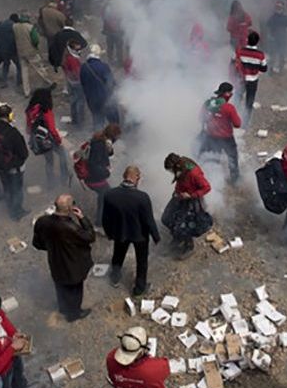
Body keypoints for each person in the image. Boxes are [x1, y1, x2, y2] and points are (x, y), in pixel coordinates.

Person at [32, 193, 96, 321]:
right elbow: (90, 237)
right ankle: (73, 314)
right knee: (75, 291)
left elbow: (37, 243)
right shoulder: (71, 228)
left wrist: (52, 248)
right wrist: (82, 218)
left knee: (60, 286)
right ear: (70, 209)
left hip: (55, 263)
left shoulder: (42, 221)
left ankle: (63, 307)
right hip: (73, 266)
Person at [102, 166, 161, 296]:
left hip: (120, 232)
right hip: (139, 235)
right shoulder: (142, 197)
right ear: (137, 178)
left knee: (118, 255)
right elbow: (149, 220)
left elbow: (105, 217)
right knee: (141, 261)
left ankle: (115, 278)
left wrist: (108, 232)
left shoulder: (110, 194)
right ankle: (139, 288)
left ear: (124, 176)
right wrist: (156, 237)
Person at [161, 153, 211, 260]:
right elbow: (180, 181)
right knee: (166, 218)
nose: (171, 173)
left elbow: (207, 187)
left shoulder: (194, 173)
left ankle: (189, 246)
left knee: (185, 226)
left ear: (176, 166)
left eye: (171, 170)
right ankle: (177, 238)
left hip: (191, 201)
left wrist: (191, 195)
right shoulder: (182, 168)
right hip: (180, 196)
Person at [0, 105, 29, 220]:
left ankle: (10, 206)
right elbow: (24, 153)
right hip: (14, 167)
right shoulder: (13, 132)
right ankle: (17, 212)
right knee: (17, 190)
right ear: (10, 116)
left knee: (7, 188)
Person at [106, 326, 170, 388]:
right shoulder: (156, 367)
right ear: (142, 351)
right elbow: (167, 368)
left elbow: (112, 378)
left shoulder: (111, 359)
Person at [25, 87, 69, 188]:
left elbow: (28, 128)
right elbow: (52, 129)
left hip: (39, 140)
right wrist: (58, 140)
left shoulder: (29, 110)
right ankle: (64, 178)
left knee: (49, 161)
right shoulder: (46, 111)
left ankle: (51, 182)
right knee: (62, 155)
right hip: (49, 139)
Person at [199, 83, 242, 184]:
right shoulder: (229, 108)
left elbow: (201, 118)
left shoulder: (208, 103)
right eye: (231, 92)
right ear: (227, 94)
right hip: (227, 138)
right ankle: (235, 180)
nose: (232, 94)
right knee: (232, 158)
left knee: (214, 160)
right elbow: (237, 124)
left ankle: (214, 180)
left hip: (211, 137)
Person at [84, 124, 122, 225]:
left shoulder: (101, 139)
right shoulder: (99, 145)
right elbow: (93, 165)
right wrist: (107, 172)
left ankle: (101, 220)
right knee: (106, 195)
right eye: (116, 137)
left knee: (104, 195)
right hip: (93, 178)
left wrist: (109, 150)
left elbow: (106, 155)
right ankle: (100, 223)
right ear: (112, 136)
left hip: (93, 176)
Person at [233, 30, 268, 124]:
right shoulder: (260, 55)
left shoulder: (241, 52)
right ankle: (245, 122)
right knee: (249, 101)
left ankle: (233, 118)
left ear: (247, 40)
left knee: (237, 98)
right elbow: (264, 68)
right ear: (257, 42)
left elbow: (235, 64)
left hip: (241, 79)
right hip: (253, 80)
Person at [80, 44, 118, 130]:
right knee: (113, 121)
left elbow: (82, 84)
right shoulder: (104, 67)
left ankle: (99, 139)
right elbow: (111, 83)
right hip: (106, 99)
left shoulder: (83, 67)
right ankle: (114, 140)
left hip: (91, 99)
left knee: (98, 121)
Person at [12, 14, 40, 97]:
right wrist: (36, 46)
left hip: (20, 51)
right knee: (38, 68)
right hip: (30, 51)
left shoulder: (15, 26)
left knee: (24, 71)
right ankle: (47, 83)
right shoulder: (30, 27)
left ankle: (26, 91)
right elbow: (35, 40)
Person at [0, 14, 20, 88]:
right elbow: (17, 38)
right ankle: (19, 81)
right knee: (19, 65)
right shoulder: (14, 26)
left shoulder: (1, 23)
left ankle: (4, 82)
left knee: (6, 64)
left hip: (1, 48)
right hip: (12, 49)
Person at [62, 40, 85, 127]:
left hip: (70, 81)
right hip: (77, 82)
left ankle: (75, 119)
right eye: (77, 47)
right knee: (79, 101)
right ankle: (79, 121)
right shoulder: (73, 59)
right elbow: (76, 73)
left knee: (73, 100)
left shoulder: (67, 57)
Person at [266, 1, 287, 74]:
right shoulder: (272, 18)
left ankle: (281, 69)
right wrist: (270, 36)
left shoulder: (285, 18)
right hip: (274, 39)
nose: (278, 9)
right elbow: (268, 26)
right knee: (273, 54)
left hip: (282, 38)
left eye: (280, 7)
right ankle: (271, 69)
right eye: (277, 7)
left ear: (282, 9)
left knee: (282, 54)